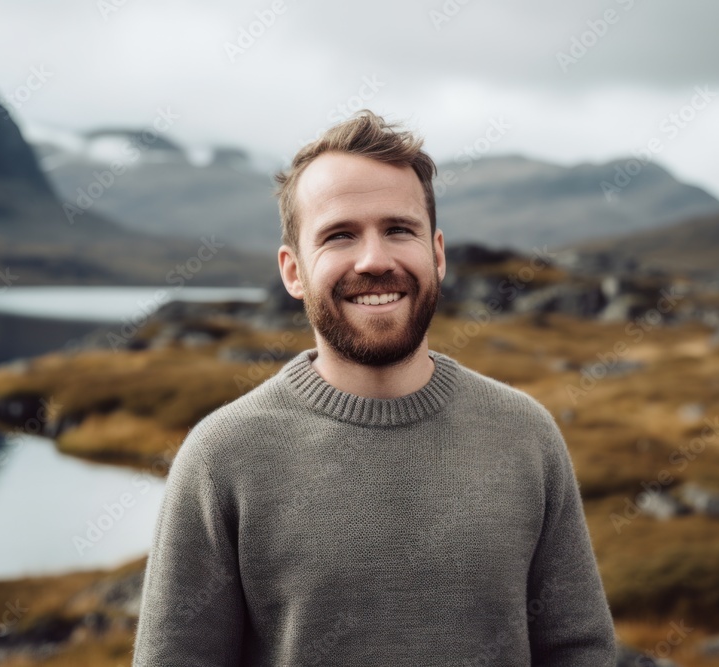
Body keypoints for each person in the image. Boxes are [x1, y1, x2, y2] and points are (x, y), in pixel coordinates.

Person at [132, 110, 616, 666]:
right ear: (293, 271)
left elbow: (580, 652)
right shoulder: (221, 456)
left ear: (437, 252)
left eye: (398, 229)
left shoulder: (526, 434)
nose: (374, 260)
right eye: (339, 235)